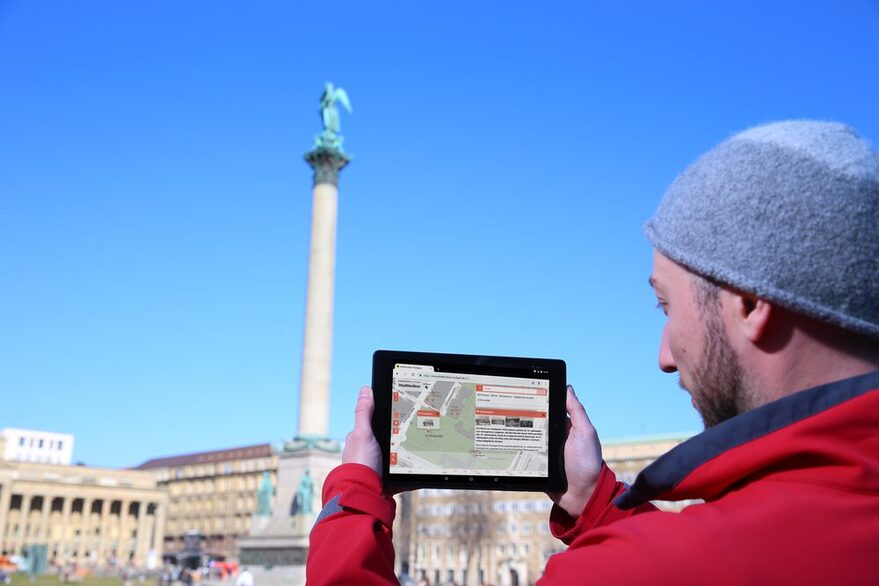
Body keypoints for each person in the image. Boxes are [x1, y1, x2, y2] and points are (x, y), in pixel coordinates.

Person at [306, 120, 879, 584]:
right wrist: (595, 501)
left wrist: (354, 501)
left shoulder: (627, 574)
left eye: (665, 307)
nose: (665, 357)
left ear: (751, 305)